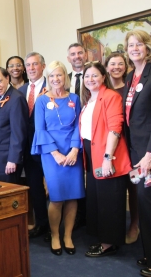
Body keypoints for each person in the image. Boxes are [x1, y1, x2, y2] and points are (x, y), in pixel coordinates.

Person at [31, 61, 84, 255]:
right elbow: (40, 129)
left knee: (72, 196)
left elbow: (79, 125)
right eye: (51, 76)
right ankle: (55, 235)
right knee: (56, 197)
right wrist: (55, 153)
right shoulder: (42, 100)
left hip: (72, 151)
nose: (55, 79)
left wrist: (74, 150)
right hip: (51, 153)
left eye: (59, 75)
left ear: (65, 76)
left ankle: (68, 235)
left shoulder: (75, 98)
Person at [79, 62, 131, 258]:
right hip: (92, 157)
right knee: (98, 200)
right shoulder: (90, 100)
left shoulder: (110, 96)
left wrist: (108, 158)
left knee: (110, 201)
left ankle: (109, 243)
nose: (90, 79)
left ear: (103, 77)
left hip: (107, 156)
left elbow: (114, 128)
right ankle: (104, 239)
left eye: (94, 75)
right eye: (87, 76)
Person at [122, 30, 151, 277]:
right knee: (144, 203)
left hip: (149, 153)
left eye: (139, 44)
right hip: (137, 152)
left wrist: (150, 153)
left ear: (147, 47)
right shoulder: (131, 76)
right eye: (130, 45)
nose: (134, 48)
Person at [104, 53, 139, 244]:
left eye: (120, 64)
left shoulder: (131, 86)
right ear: (106, 67)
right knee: (115, 188)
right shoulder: (103, 88)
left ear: (125, 67)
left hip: (130, 141)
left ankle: (135, 223)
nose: (116, 67)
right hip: (110, 144)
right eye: (112, 64)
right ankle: (114, 228)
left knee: (133, 185)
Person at [20, 52, 49, 239]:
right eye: (28, 65)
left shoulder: (52, 86)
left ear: (43, 66)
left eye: (35, 64)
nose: (31, 68)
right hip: (28, 147)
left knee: (53, 187)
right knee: (35, 187)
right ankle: (42, 224)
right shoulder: (21, 91)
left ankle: (57, 226)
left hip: (48, 146)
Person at [0, 66, 28, 183]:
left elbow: (18, 133)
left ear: (7, 78)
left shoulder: (16, 98)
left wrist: (13, 159)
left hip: (7, 161)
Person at [66, 42, 87, 229]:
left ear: (86, 55)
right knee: (75, 176)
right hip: (70, 135)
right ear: (68, 58)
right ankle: (77, 218)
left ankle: (90, 216)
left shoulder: (93, 76)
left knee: (89, 176)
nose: (77, 56)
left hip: (89, 132)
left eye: (80, 53)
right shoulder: (65, 79)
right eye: (73, 54)